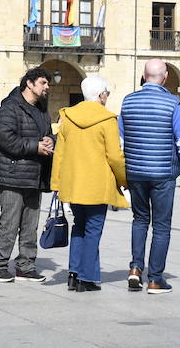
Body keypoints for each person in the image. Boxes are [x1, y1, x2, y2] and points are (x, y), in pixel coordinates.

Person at [118, 59, 180, 294]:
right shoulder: (172, 103)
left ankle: (135, 269)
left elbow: (120, 141)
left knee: (139, 220)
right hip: (162, 173)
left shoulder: (128, 102)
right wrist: (177, 167)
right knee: (161, 226)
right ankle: (155, 278)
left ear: (144, 75)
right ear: (165, 76)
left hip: (135, 173)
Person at [52, 75, 126, 292]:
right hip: (97, 184)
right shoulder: (107, 120)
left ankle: (74, 273)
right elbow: (114, 156)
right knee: (93, 230)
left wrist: (57, 183)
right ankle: (87, 278)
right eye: (107, 93)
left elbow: (60, 154)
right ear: (101, 95)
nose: (107, 97)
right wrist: (124, 179)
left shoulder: (67, 118)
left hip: (74, 184)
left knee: (79, 227)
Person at [0, 67, 54, 283]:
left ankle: (25, 266)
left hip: (35, 174)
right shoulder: (10, 107)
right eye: (43, 83)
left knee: (30, 224)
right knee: (10, 222)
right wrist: (35, 146)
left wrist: (51, 141)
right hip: (12, 174)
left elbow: (48, 133)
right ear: (30, 83)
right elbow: (5, 138)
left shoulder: (42, 110)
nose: (47, 87)